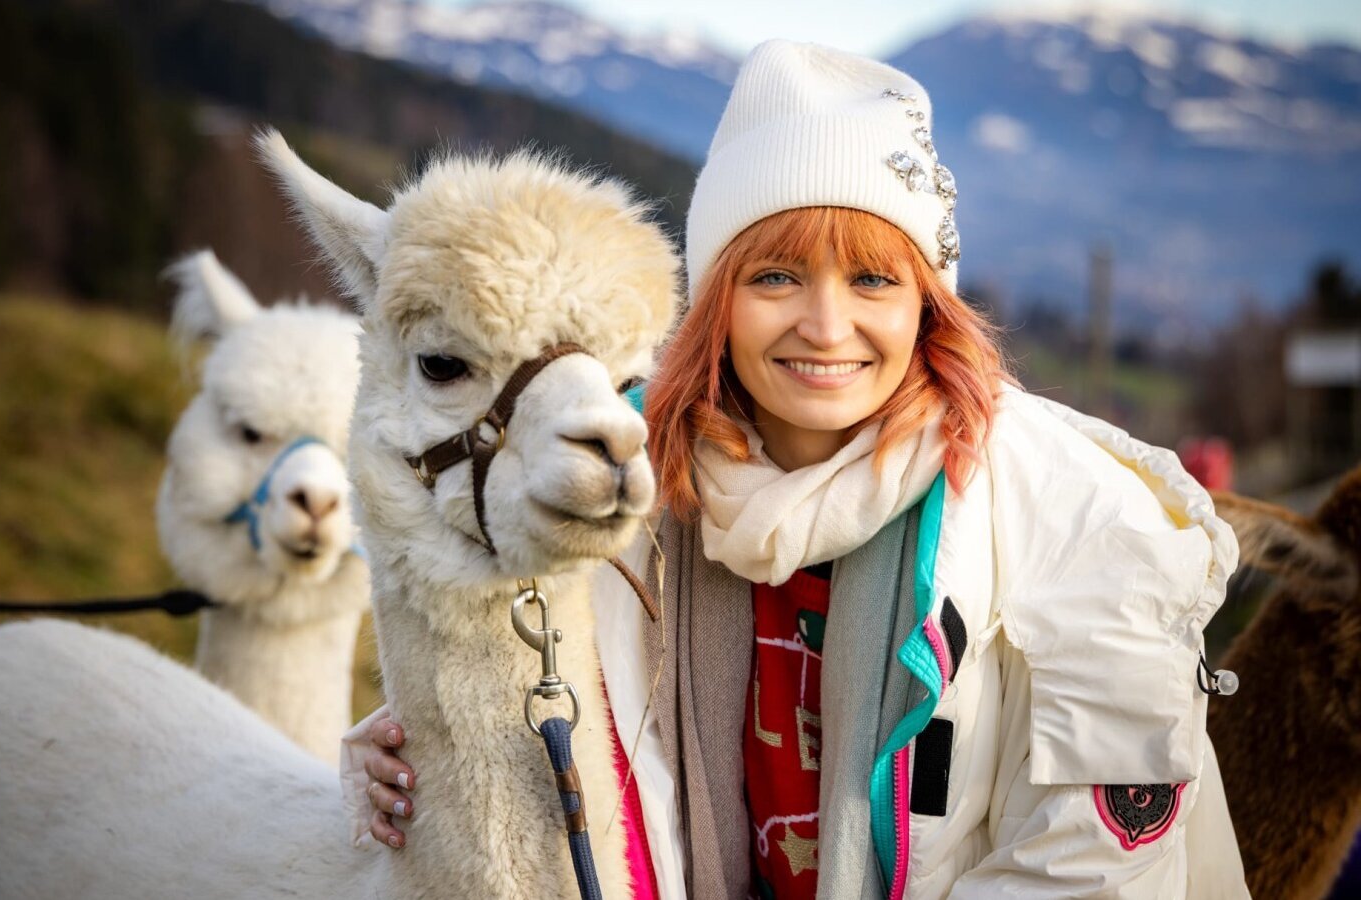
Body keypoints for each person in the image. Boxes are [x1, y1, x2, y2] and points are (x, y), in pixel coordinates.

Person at [344, 40, 1249, 899]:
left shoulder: (1078, 514)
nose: (824, 326)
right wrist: (403, 744)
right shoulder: (626, 480)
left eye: (872, 281)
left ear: (928, 307)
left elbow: (1096, 868)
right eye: (776, 276)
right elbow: (499, 642)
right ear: (717, 300)